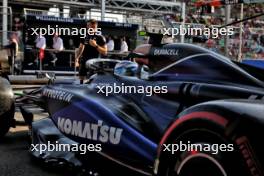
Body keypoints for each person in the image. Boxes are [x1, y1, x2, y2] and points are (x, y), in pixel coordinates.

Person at [75, 19, 107, 84]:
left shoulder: (100, 38)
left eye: (93, 27)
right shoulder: (84, 36)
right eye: (89, 26)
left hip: (95, 62)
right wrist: (77, 58)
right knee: (81, 80)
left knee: (92, 81)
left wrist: (96, 45)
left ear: (96, 27)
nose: (90, 28)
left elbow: (105, 52)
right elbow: (81, 47)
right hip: (84, 60)